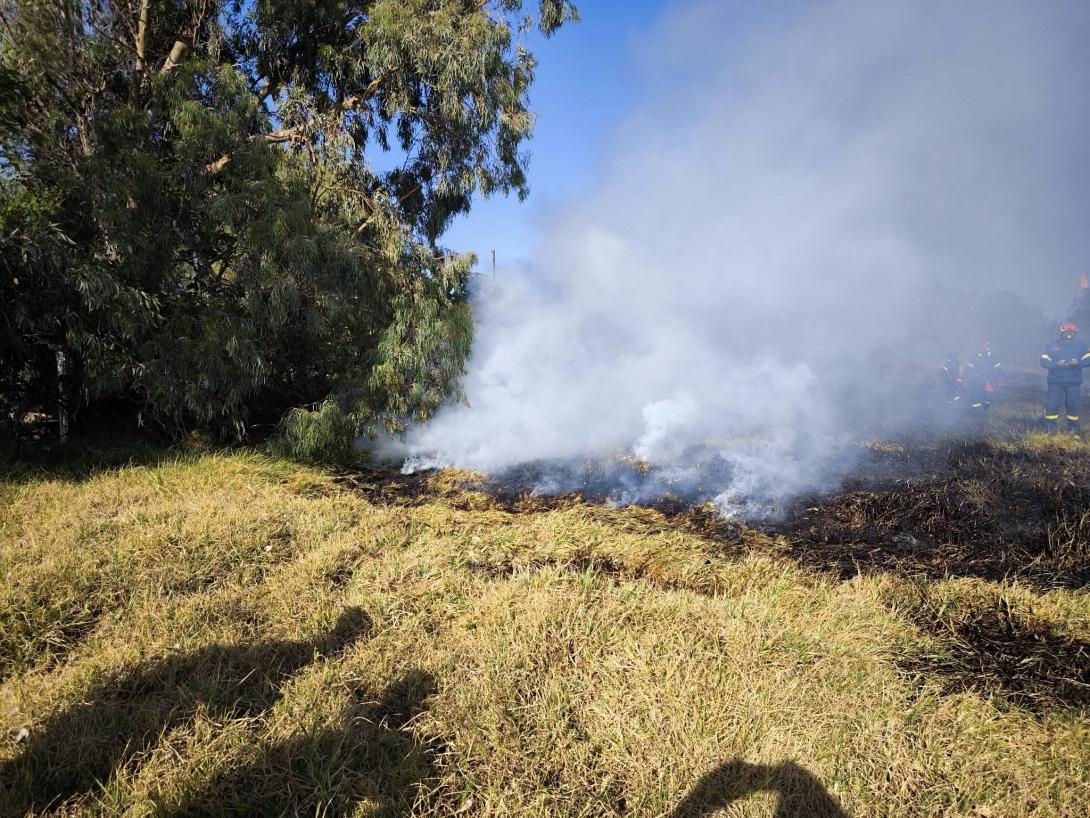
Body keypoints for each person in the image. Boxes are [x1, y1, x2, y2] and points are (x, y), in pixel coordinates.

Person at [1040, 322, 1090, 432]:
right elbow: (1043, 362)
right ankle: (1049, 430)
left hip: (1074, 382)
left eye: (1071, 331)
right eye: (1067, 331)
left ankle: (1074, 431)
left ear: (1075, 333)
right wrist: (1056, 364)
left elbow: (1088, 360)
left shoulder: (1081, 346)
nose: (1069, 333)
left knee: (1073, 407)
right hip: (1055, 382)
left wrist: (1078, 362)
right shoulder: (1052, 345)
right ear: (1061, 332)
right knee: (1052, 406)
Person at [965, 341, 1002, 412]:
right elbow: (969, 369)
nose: (984, 349)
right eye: (982, 347)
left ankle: (985, 411)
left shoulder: (992, 358)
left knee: (987, 397)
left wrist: (997, 379)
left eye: (985, 347)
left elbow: (999, 369)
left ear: (988, 348)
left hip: (989, 381)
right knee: (976, 397)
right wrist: (969, 376)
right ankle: (975, 413)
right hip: (976, 381)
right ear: (979, 348)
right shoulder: (974, 358)